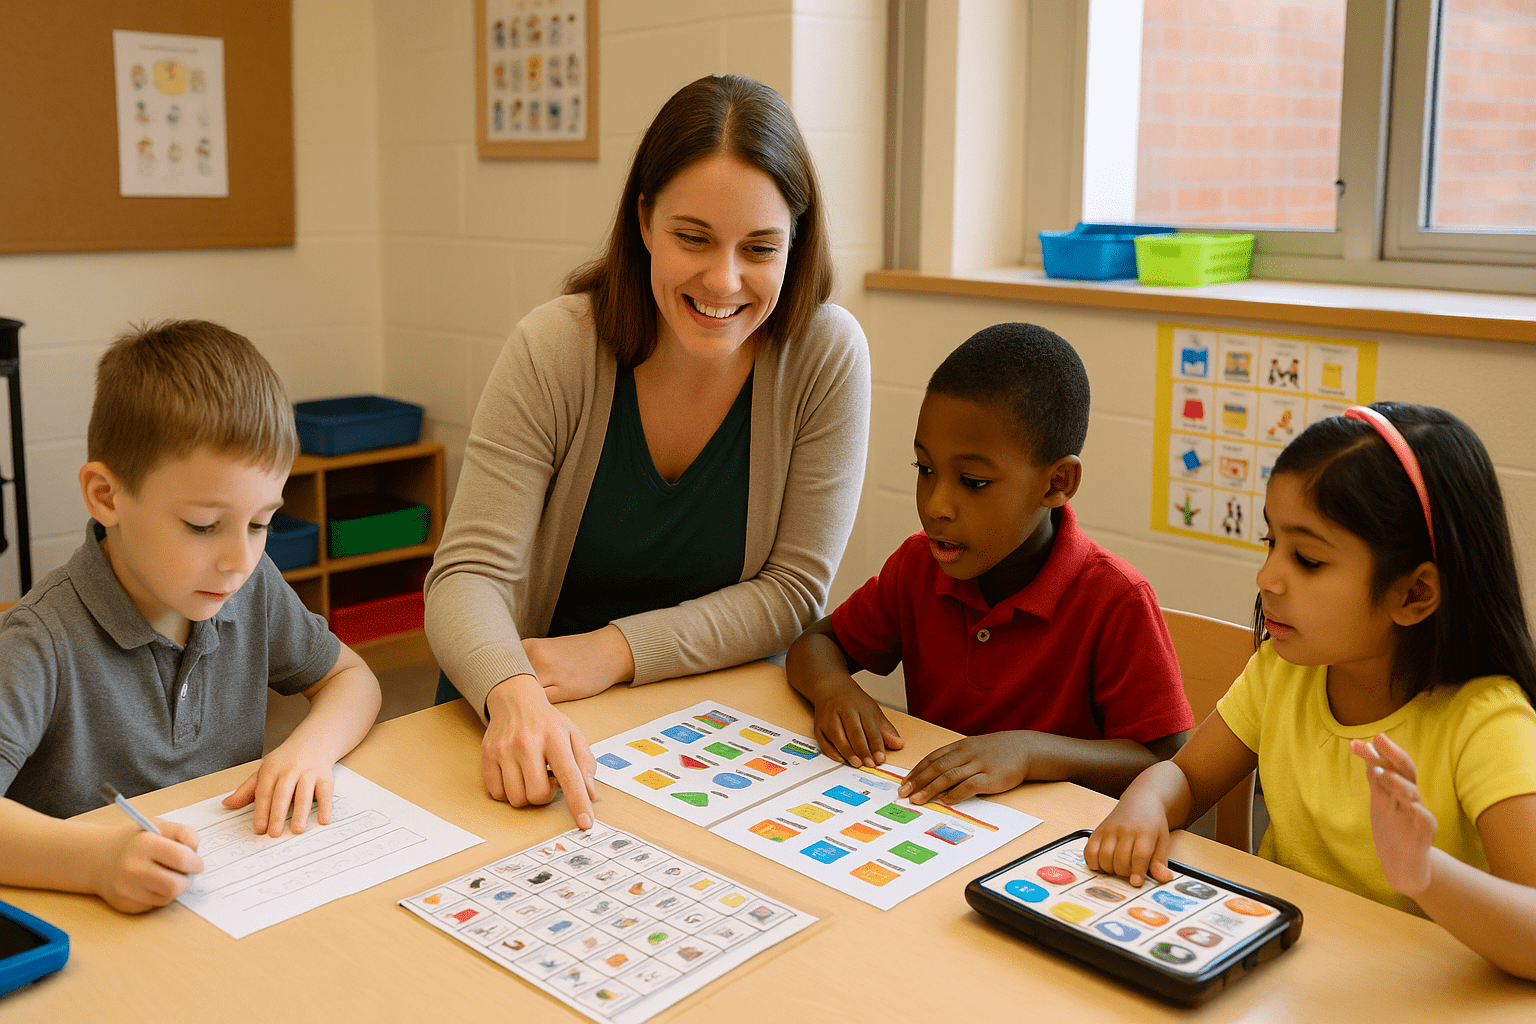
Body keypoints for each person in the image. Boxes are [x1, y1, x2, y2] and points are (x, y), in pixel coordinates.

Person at [424, 75, 870, 830]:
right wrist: (515, 693)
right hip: (528, 699)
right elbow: (467, 576)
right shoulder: (554, 348)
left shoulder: (826, 354)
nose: (723, 280)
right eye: (692, 237)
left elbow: (794, 592)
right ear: (643, 219)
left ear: (796, 242)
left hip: (713, 718)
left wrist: (613, 651)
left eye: (759, 248)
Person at [1085, 402, 1536, 979]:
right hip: (1280, 971)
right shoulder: (1287, 669)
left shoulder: (1485, 720)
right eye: (1269, 542)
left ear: (1414, 594)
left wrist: (1425, 872)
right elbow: (1190, 776)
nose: (1267, 577)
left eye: (1308, 558)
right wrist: (1144, 803)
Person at [0, 320, 382, 913]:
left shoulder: (249, 588)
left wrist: (309, 748)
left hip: (224, 899)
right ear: (107, 497)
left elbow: (351, 678)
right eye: (203, 525)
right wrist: (96, 860)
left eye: (261, 523)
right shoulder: (39, 640)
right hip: (94, 923)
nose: (239, 559)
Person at [786, 323, 1192, 805]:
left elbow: (1164, 762)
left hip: (1054, 850)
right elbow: (815, 645)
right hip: (940, 824)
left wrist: (1029, 752)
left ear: (1057, 482)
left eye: (973, 481)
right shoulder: (920, 566)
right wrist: (834, 690)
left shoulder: (1115, 600)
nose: (936, 504)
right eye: (925, 469)